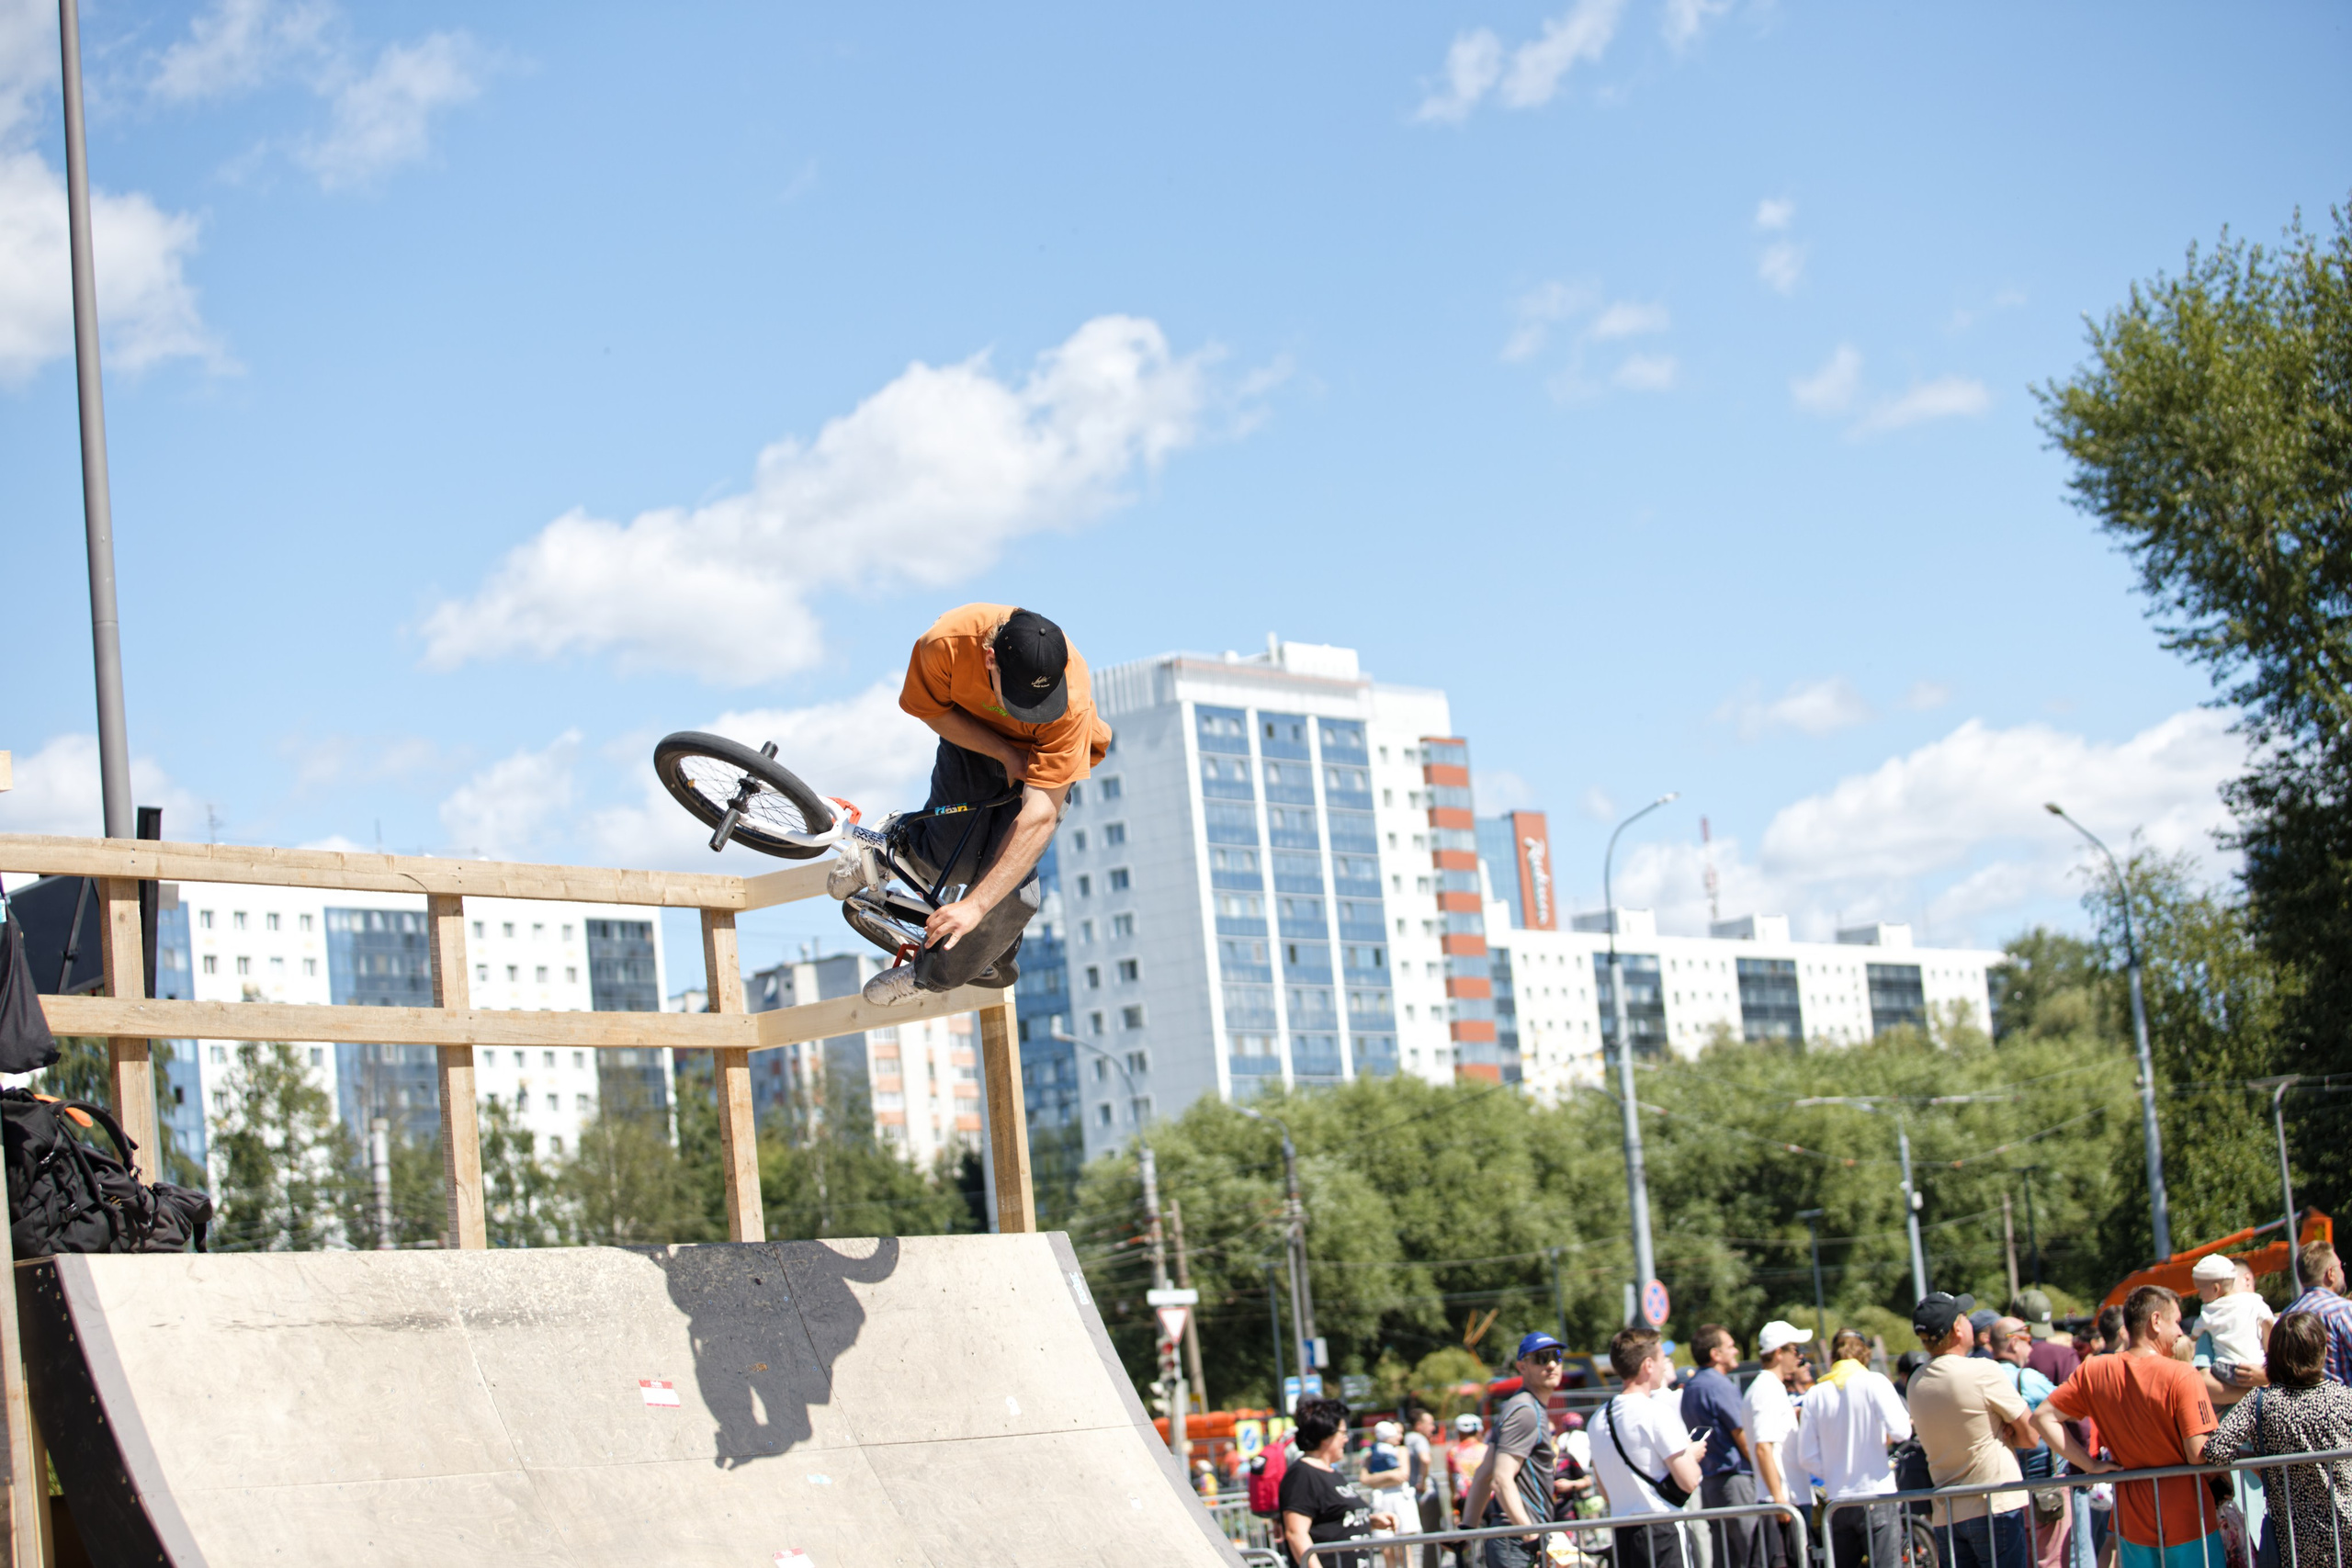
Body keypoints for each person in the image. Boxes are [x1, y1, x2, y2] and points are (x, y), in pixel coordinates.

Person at [845, 604, 1112, 1005]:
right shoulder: (946, 645)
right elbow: (928, 707)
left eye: (1040, 703)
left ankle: (927, 978)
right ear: (990, 660)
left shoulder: (1072, 699)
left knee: (1009, 895)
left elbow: (1039, 817)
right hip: (972, 737)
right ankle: (894, 844)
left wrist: (976, 906)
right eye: (1021, 701)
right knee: (948, 860)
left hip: (1041, 763)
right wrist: (1003, 752)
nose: (1030, 713)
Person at [2034, 1285, 2222, 1568]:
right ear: (2156, 1321)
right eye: (2176, 1322)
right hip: (2187, 1513)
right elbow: (2197, 1453)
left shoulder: (2094, 1370)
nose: (2180, 1332)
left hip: (2132, 1516)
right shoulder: (2183, 1374)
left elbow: (2042, 1417)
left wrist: (2090, 1466)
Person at [2204, 1311, 2352, 1568]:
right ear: (2320, 1350)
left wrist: (2259, 1462)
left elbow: (2216, 1450)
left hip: (2293, 1538)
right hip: (2345, 1527)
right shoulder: (2343, 1399)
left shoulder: (2261, 1401)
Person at [1905, 1291, 2038, 1568]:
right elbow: (2030, 1434)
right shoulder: (1982, 1371)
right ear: (1957, 1328)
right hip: (1995, 1505)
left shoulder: (1916, 1382)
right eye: (1964, 1317)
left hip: (1947, 1512)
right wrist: (2003, 1430)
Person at [1591, 1326, 1708, 1568]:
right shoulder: (1655, 1411)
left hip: (1623, 1533)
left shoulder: (1596, 1419)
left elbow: (1605, 1491)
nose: (1665, 1365)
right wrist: (1691, 1454)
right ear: (1648, 1365)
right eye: (1662, 1359)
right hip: (1662, 1530)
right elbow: (1689, 1480)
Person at [1798, 1327, 1914, 1568]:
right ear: (1864, 1354)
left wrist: (1834, 1471)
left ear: (1833, 1357)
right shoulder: (1874, 1382)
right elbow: (1901, 1431)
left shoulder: (1815, 1394)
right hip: (1877, 1493)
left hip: (1838, 1498)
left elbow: (1807, 1457)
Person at [1464, 1333, 1569, 1568]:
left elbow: (1485, 1472)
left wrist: (1466, 1528)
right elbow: (1500, 1480)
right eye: (1541, 1358)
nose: (1551, 1364)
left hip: (1516, 1538)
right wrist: (1532, 1537)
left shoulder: (1521, 1406)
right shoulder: (1525, 1410)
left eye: (1556, 1356)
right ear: (1522, 1366)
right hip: (1517, 1540)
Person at [1989, 1316, 2068, 1568]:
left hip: (1999, 1490)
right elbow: (2074, 1408)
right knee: (2050, 1559)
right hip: (2041, 1489)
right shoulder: (2028, 1379)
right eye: (2028, 1341)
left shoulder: (1981, 1377)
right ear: (2013, 1343)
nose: (2032, 1349)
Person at [1681, 1325, 1763, 1568]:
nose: (1736, 1351)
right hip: (1735, 1482)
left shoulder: (1693, 1387)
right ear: (1716, 1354)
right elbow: (1742, 1436)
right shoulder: (1719, 1385)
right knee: (1753, 1553)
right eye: (1730, 1346)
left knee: (1727, 1558)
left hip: (1712, 1484)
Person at [1283, 1396, 1397, 1568]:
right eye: (1342, 1433)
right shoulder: (1302, 1474)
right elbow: (1296, 1533)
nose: (1346, 1439)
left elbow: (1333, 1521)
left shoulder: (1331, 1472)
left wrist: (1369, 1521)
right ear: (1325, 1436)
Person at [1746, 1322, 1813, 1568]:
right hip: (1784, 1501)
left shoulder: (1769, 1387)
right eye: (1794, 1350)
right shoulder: (1767, 1388)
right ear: (1778, 1353)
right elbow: (1763, 1447)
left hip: (1785, 1499)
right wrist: (1779, 1500)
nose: (1799, 1356)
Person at [2188, 1254, 2273, 1404]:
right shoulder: (2256, 1301)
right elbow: (2268, 1323)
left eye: (2200, 1291)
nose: (2199, 1296)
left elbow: (2193, 1336)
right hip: (2259, 1366)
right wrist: (2270, 1372)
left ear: (2215, 1288)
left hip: (2227, 1371)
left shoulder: (2209, 1311)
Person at [2282, 1242, 2352, 1386]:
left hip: (2301, 1407)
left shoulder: (2286, 1316)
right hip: (2343, 1405)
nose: (2343, 1273)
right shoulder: (2343, 1310)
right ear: (2330, 1273)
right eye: (2342, 1267)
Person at [1365, 1419, 1419, 1568]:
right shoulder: (1372, 1453)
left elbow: (1403, 1475)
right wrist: (1390, 1476)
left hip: (1400, 1499)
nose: (1399, 1437)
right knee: (1387, 1549)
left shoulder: (1401, 1451)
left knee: (1404, 1548)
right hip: (1382, 1500)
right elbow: (1365, 1478)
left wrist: (1378, 1479)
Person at [1408, 1408, 1445, 1568]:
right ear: (1418, 1425)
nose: (1433, 1428)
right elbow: (1425, 1459)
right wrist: (1422, 1482)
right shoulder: (1418, 1439)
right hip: (1425, 1494)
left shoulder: (1408, 1438)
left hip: (1416, 1495)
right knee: (1434, 1537)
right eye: (1429, 1424)